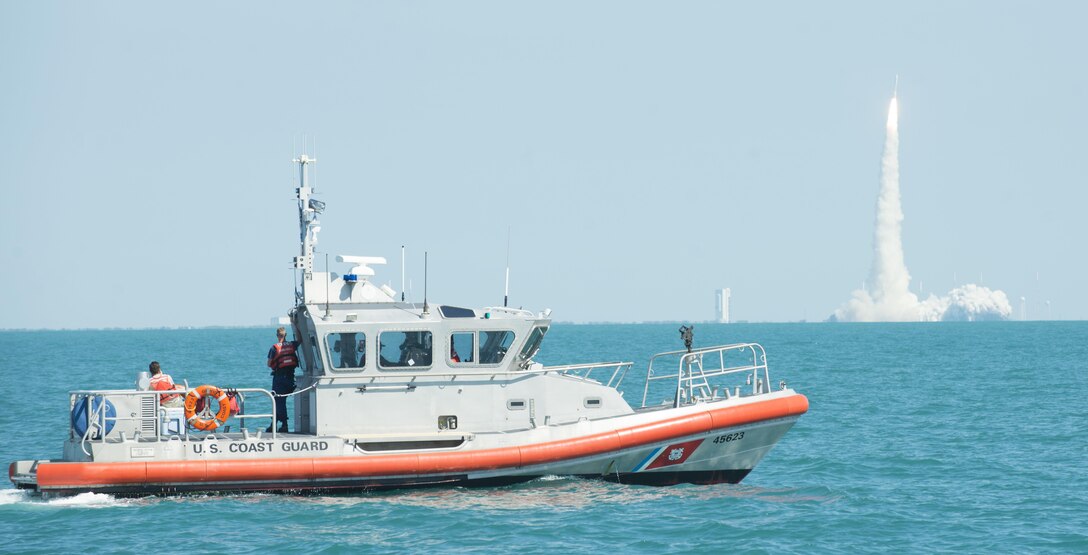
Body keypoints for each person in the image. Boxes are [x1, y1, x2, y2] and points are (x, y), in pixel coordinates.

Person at [266, 327, 299, 433]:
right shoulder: (292, 345)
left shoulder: (274, 348)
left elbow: (269, 363)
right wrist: (297, 326)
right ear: (286, 335)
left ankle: (283, 425)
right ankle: (275, 424)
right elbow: (301, 340)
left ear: (277, 335)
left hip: (279, 378)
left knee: (277, 401)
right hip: (291, 378)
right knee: (281, 401)